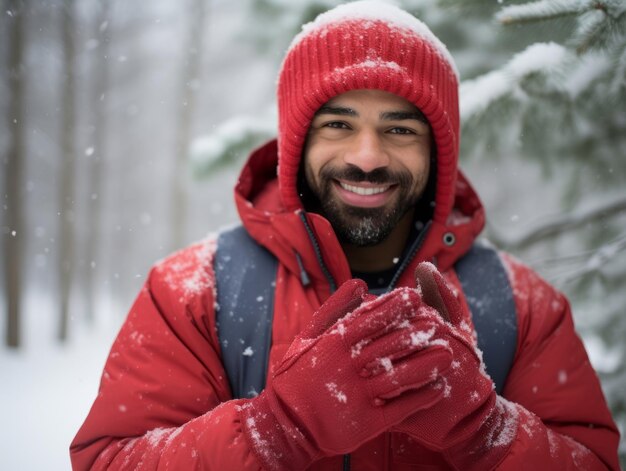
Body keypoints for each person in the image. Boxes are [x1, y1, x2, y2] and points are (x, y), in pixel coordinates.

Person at [70, 2, 620, 470]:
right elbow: (110, 460)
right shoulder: (193, 290)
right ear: (296, 145)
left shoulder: (521, 305)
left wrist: (488, 432)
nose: (367, 157)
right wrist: (273, 429)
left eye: (399, 129)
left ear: (438, 153)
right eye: (338, 124)